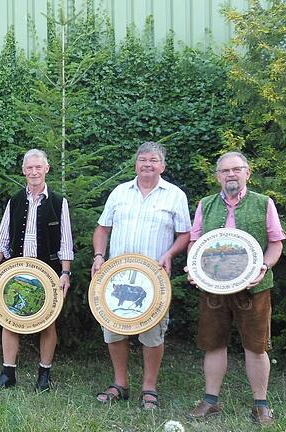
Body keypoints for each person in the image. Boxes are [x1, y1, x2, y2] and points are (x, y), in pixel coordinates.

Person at [185, 152, 283, 426]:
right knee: (213, 344)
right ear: (217, 176)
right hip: (213, 288)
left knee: (256, 347)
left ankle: (260, 406)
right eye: (225, 170)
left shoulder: (264, 203)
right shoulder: (205, 205)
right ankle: (210, 401)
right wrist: (193, 268)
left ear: (247, 173)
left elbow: (276, 243)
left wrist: (263, 265)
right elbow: (195, 242)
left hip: (255, 288)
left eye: (236, 169)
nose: (231, 174)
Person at [91, 141, 191, 409]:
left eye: (154, 160)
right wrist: (99, 256)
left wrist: (170, 254)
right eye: (143, 159)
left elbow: (185, 235)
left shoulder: (175, 195)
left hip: (154, 279)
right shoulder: (120, 192)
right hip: (117, 277)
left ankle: (149, 388)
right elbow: (102, 229)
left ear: (163, 166)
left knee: (152, 335)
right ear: (135, 164)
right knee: (113, 331)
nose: (148, 164)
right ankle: (120, 383)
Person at [0, 149, 73, 391]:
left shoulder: (58, 202)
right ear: (24, 171)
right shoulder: (15, 201)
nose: (34, 172)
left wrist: (65, 273)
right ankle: (8, 373)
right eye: (29, 168)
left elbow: (66, 242)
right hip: (15, 271)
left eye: (38, 167)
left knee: (48, 323)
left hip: (48, 271)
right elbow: (2, 240)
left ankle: (44, 375)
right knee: (9, 319)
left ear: (46, 169)